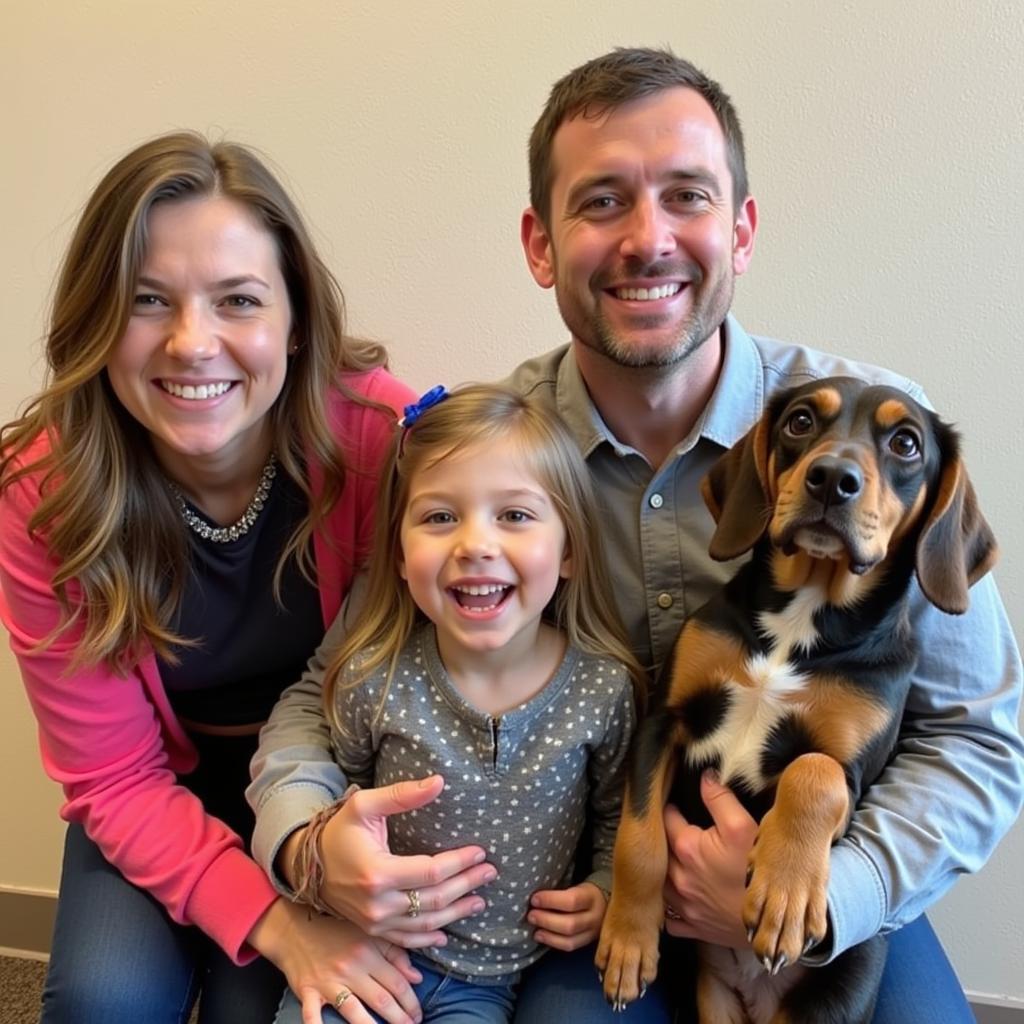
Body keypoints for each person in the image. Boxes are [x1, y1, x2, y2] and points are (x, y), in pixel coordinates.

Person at [249, 48, 1024, 1022]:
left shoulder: (877, 452)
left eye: (686, 196)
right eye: (603, 201)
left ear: (740, 229)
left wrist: (839, 891)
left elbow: (980, 740)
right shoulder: (489, 462)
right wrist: (308, 848)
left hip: (826, 875)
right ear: (540, 243)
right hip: (597, 886)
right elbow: (329, 692)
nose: (647, 239)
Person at [0, 130, 496, 1024]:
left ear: (296, 320)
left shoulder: (387, 443)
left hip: (334, 777)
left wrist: (311, 856)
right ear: (96, 319)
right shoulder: (43, 493)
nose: (194, 344)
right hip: (154, 784)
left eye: (237, 300)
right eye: (148, 300)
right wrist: (274, 918)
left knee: (266, 1009)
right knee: (102, 1004)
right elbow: (112, 779)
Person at [273, 383, 646, 1024]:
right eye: (440, 517)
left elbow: (618, 815)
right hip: (373, 953)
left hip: (498, 979)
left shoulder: (602, 689)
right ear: (397, 552)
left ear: (571, 551)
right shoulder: (374, 679)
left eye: (515, 516)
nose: (474, 544)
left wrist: (605, 889)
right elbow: (342, 802)